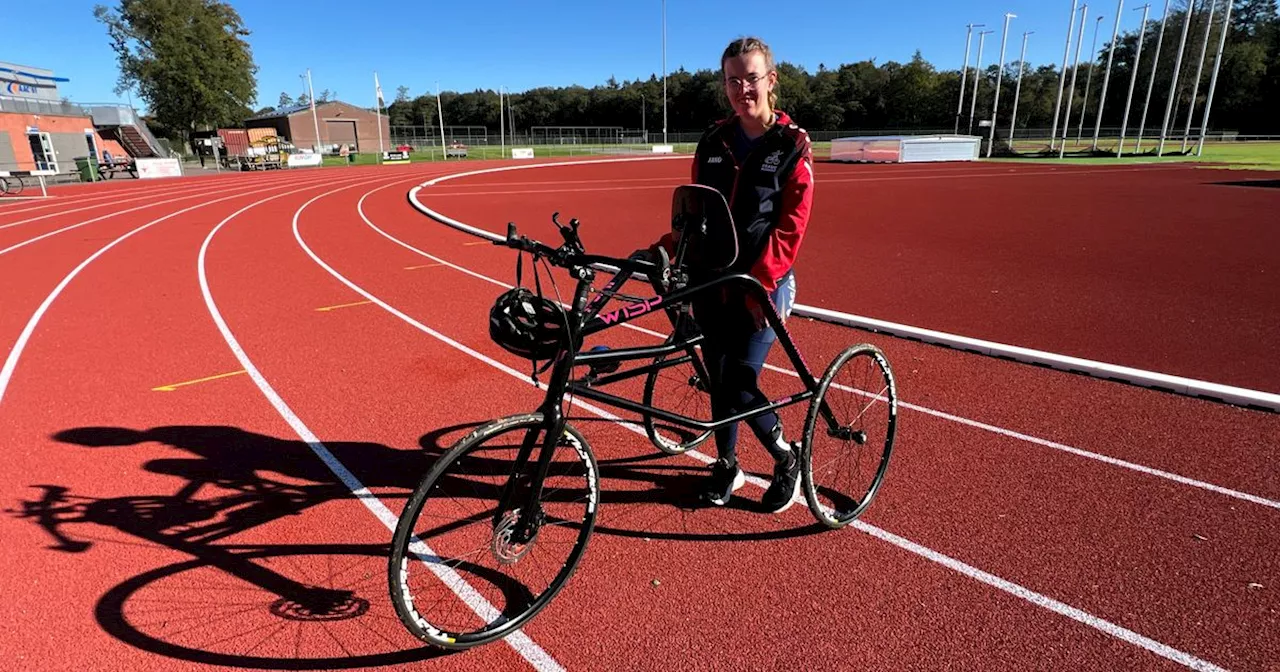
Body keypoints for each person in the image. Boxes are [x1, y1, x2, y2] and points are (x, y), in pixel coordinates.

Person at [641, 35, 814, 512]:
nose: (743, 89)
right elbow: (695, 214)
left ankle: (786, 458)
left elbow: (791, 225)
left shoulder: (792, 144)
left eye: (751, 78)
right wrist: (667, 249)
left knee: (739, 381)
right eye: (733, 80)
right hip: (711, 282)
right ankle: (727, 463)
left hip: (762, 285)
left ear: (770, 80)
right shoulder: (713, 141)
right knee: (718, 378)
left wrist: (761, 280)